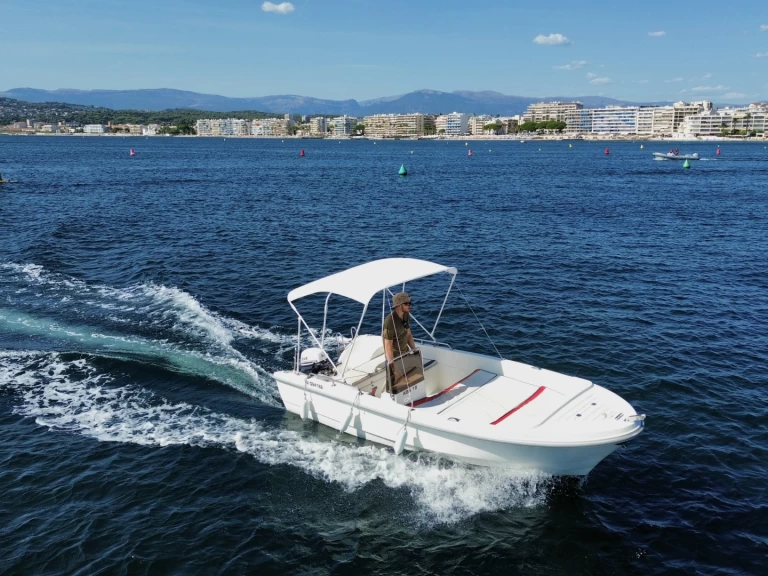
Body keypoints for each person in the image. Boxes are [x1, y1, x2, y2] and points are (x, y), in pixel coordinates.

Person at [382, 292, 417, 389]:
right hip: (395, 358)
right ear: (399, 305)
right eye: (406, 304)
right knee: (395, 387)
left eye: (410, 303)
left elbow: (409, 334)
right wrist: (393, 368)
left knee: (407, 383)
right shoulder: (389, 321)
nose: (410, 306)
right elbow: (388, 346)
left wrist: (414, 351)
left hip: (405, 354)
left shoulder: (406, 315)